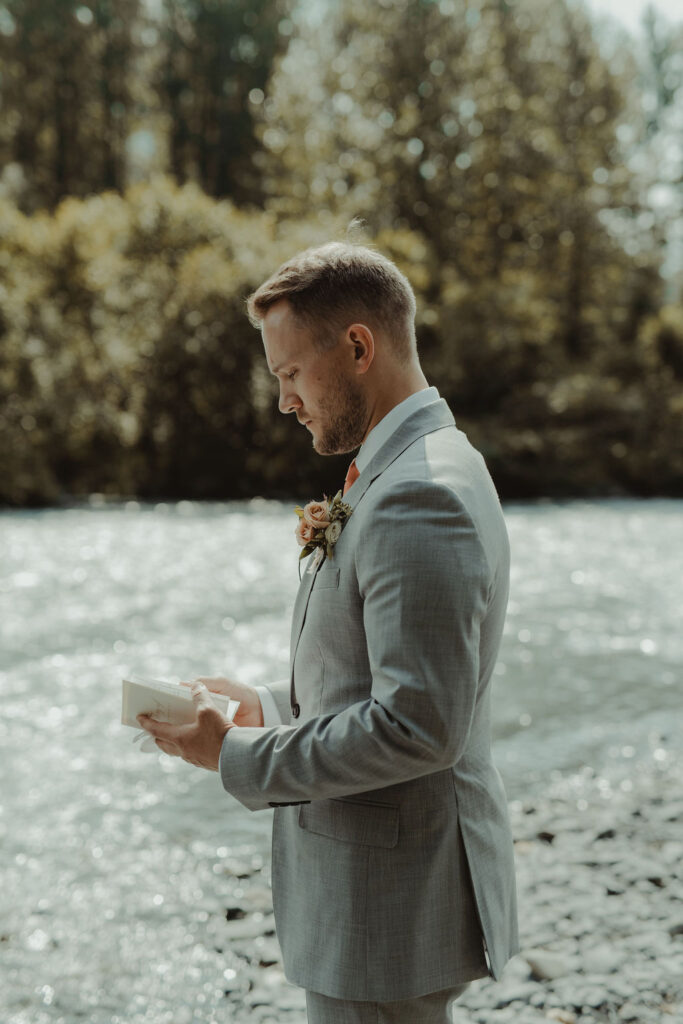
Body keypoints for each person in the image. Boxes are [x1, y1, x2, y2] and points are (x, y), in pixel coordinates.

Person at [138, 241, 519, 1023]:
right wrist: (270, 706)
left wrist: (234, 755)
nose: (283, 401)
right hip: (382, 888)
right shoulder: (413, 464)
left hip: (389, 900)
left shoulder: (419, 494)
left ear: (356, 347)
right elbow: (380, 677)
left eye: (289, 375)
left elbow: (417, 726)